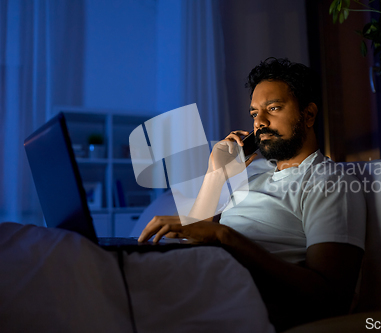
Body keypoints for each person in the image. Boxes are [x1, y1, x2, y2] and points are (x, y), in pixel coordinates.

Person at [138, 58, 366, 331]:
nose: (260, 122)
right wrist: (216, 174)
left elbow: (331, 299)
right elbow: (195, 237)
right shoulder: (253, 173)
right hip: (198, 283)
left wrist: (224, 236)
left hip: (239, 306)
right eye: (254, 113)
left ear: (308, 115)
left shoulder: (328, 181)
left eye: (273, 108)